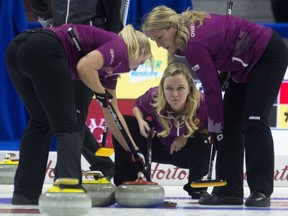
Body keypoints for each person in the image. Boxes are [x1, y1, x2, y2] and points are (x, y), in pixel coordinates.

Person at [142, 5, 288, 207]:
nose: (158, 45)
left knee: (255, 120)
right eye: (154, 40)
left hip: (267, 55)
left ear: (173, 27)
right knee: (229, 123)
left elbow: (212, 92)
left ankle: (261, 191)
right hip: (243, 64)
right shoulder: (187, 35)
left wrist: (214, 129)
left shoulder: (194, 45)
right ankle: (229, 191)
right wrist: (219, 128)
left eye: (159, 38)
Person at [5, 23, 152, 205]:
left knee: (40, 122)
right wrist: (100, 91)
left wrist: (133, 151)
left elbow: (113, 115)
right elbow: (84, 67)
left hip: (17, 48)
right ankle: (69, 190)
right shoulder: (119, 46)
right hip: (45, 48)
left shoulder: (111, 70)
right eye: (143, 61)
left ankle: (25, 194)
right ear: (138, 50)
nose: (138, 68)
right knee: (69, 126)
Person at [29, 0, 123, 181]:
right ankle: (102, 165)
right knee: (63, 114)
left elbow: (113, 14)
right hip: (58, 42)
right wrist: (46, 19)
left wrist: (109, 49)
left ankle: (65, 176)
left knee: (72, 117)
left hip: (87, 48)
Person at [112, 62, 211, 199]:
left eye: (180, 88)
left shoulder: (203, 102)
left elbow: (210, 127)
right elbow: (137, 107)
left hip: (184, 151)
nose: (175, 94)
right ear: (162, 88)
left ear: (189, 88)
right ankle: (126, 181)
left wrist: (185, 136)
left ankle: (197, 187)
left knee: (203, 142)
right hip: (157, 145)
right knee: (125, 123)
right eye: (169, 88)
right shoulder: (154, 95)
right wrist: (141, 121)